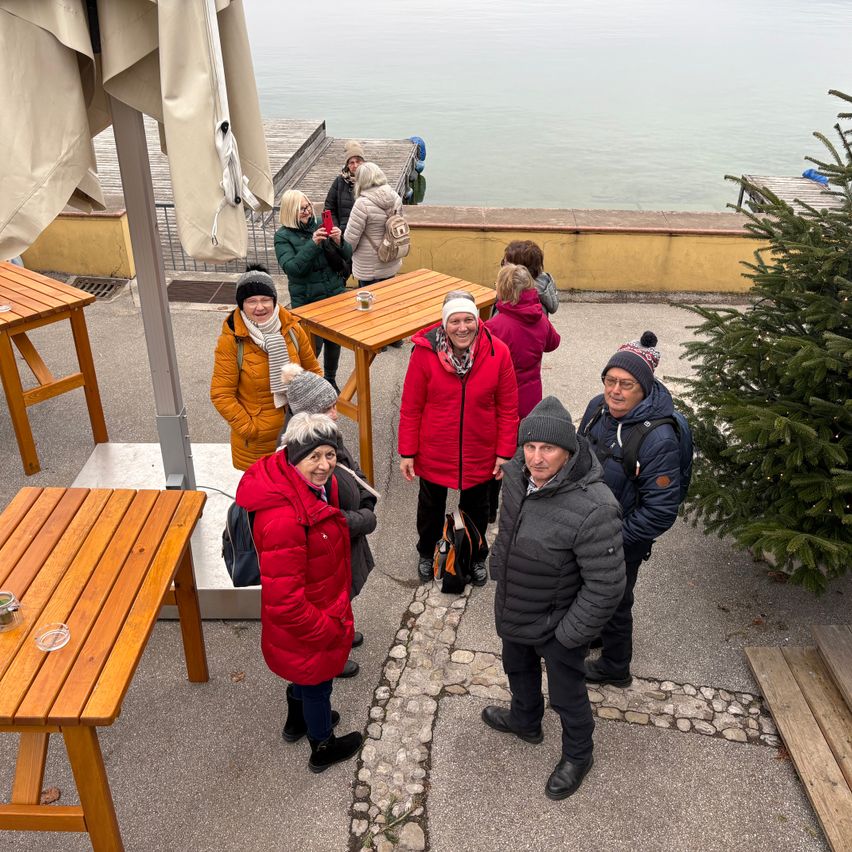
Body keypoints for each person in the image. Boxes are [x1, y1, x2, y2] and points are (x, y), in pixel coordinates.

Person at [484, 396, 625, 800]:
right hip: (517, 602)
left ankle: (579, 755)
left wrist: (569, 634)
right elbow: (509, 527)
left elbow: (607, 585)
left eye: (548, 449)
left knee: (567, 695)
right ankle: (525, 721)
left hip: (559, 621)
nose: (536, 458)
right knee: (517, 667)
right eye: (530, 447)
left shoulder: (596, 506)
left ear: (569, 451)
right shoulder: (515, 474)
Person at [235, 412, 363, 773]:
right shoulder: (285, 520)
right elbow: (286, 603)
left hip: (311, 614)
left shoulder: (300, 487)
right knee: (318, 683)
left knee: (303, 677)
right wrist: (328, 630)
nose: (324, 465)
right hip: (311, 622)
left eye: (330, 454)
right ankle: (322, 744)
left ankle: (297, 721)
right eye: (314, 457)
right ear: (294, 458)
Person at [579, 331, 681, 687]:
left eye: (626, 384)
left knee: (617, 599)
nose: (615, 391)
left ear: (645, 389)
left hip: (622, 538)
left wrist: (614, 537)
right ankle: (598, 634)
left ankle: (615, 666)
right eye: (610, 380)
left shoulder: (658, 439)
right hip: (590, 528)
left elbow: (661, 511)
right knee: (591, 589)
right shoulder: (597, 409)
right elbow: (579, 457)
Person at [398, 290, 519, 585]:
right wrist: (407, 452)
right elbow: (411, 406)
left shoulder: (498, 351)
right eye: (455, 321)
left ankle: (475, 557)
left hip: (480, 448)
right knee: (430, 508)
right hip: (434, 447)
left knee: (477, 509)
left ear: (478, 321)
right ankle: (427, 552)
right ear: (444, 324)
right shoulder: (424, 354)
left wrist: (504, 452)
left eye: (468, 319)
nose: (462, 327)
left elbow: (508, 407)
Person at [280, 364, 379, 679]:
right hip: (329, 549)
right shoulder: (303, 459)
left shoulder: (323, 437)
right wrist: (363, 518)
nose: (336, 414)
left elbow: (351, 469)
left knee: (342, 597)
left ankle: (343, 634)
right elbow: (317, 517)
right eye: (328, 408)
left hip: (341, 544)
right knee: (329, 603)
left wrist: (364, 498)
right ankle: (332, 654)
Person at [211, 264, 321, 471]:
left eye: (265, 299)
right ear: (241, 304)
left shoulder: (292, 329)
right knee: (262, 498)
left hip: (296, 431)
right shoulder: (232, 341)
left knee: (295, 491)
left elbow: (314, 373)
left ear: (274, 301)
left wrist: (310, 415)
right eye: (251, 301)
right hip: (257, 441)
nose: (259, 307)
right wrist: (251, 429)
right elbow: (221, 394)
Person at [274, 189, 352, 392]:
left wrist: (339, 241)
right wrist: (313, 244)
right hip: (308, 300)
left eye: (307, 206)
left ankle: (330, 379)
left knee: (334, 342)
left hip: (333, 294)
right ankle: (303, 384)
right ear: (290, 211)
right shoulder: (283, 237)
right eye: (301, 209)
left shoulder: (320, 223)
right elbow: (293, 269)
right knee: (310, 347)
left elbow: (347, 253)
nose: (307, 212)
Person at [486, 263, 561, 420]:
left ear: (502, 289)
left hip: (504, 397)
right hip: (532, 395)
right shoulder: (540, 317)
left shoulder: (494, 326)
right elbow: (553, 342)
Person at [343, 162, 404, 288]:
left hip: (369, 266)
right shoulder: (395, 197)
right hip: (391, 258)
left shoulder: (362, 204)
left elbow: (350, 241)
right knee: (388, 299)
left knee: (370, 302)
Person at [502, 239, 559, 315]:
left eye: (505, 265)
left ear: (520, 272)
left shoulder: (524, 303)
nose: (502, 269)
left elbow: (496, 325)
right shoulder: (538, 294)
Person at [324, 140, 365, 233]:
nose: (355, 165)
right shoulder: (339, 181)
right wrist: (334, 229)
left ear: (363, 162)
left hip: (365, 232)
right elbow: (328, 209)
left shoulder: (371, 180)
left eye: (358, 161)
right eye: (351, 162)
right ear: (347, 165)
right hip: (343, 232)